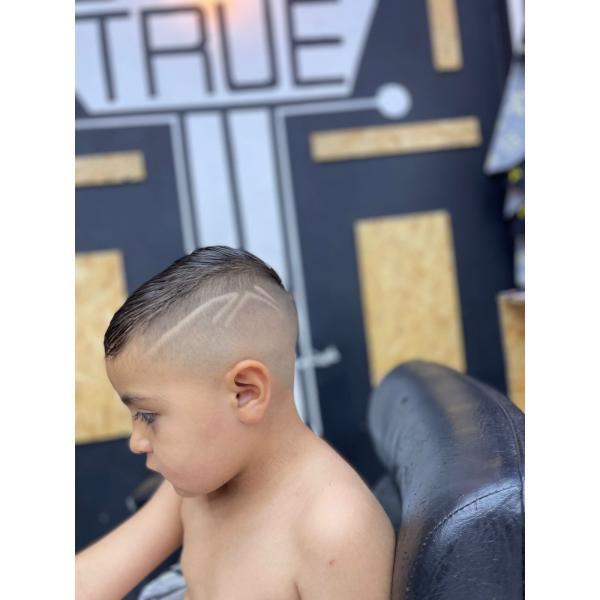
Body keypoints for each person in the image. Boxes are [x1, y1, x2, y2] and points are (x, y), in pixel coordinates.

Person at [75, 245, 395, 600]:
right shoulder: (202, 480)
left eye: (147, 415)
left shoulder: (334, 529)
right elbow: (85, 582)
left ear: (246, 392)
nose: (136, 441)